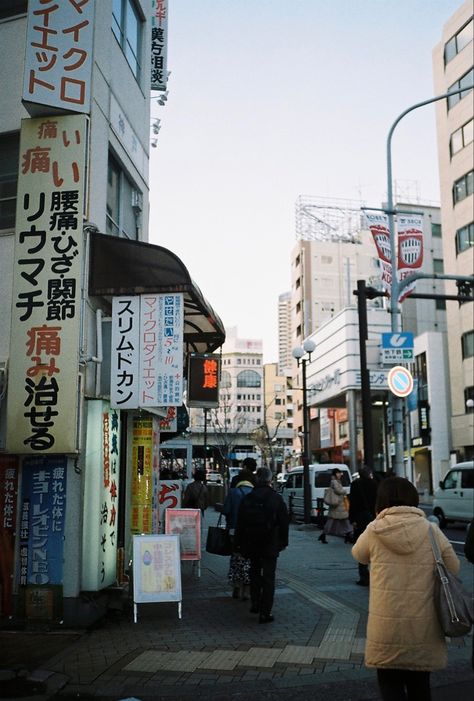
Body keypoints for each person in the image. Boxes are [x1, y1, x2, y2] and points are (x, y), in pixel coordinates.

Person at [352, 476, 460, 701]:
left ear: (380, 501)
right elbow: (454, 567)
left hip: (387, 625)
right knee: (420, 686)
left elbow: (358, 555)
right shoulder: (431, 530)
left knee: (390, 686)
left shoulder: (375, 529)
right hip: (423, 624)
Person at [235, 467, 289, 624]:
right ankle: (266, 612)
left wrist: (238, 544)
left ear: (256, 479)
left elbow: (241, 523)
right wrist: (283, 542)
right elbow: (284, 522)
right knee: (269, 577)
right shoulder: (275, 498)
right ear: (270, 479)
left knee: (254, 572)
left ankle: (255, 603)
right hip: (270, 542)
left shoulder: (248, 497)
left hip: (251, 541)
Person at [222, 471, 254, 600]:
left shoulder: (233, 492)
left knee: (236, 558)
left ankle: (236, 586)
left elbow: (225, 510)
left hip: (234, 531)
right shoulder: (255, 492)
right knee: (249, 559)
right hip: (251, 532)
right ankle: (247, 589)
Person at [348, 465, 378, 586]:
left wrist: (352, 519)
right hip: (373, 518)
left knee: (361, 546)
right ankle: (375, 575)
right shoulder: (375, 484)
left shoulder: (355, 484)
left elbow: (353, 503)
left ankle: (363, 576)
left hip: (360, 518)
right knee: (374, 546)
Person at [318, 467, 352, 544]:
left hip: (338, 505)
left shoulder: (335, 481)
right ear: (335, 474)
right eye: (338, 473)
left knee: (340, 520)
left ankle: (347, 535)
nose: (340, 474)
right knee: (341, 520)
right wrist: (344, 491)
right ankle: (347, 535)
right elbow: (338, 490)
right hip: (338, 505)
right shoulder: (335, 482)